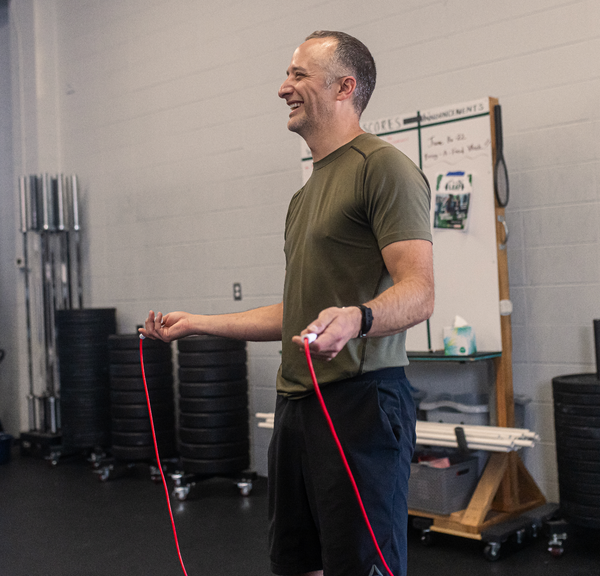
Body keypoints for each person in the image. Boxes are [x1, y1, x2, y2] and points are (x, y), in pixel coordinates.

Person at [140, 30, 434, 576]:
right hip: (296, 405)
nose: (283, 87)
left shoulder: (383, 168)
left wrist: (357, 318)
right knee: (297, 563)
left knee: (358, 565)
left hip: (360, 404)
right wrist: (196, 324)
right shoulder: (304, 196)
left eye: (299, 75)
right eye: (287, 74)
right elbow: (294, 313)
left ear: (344, 87)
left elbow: (420, 292)